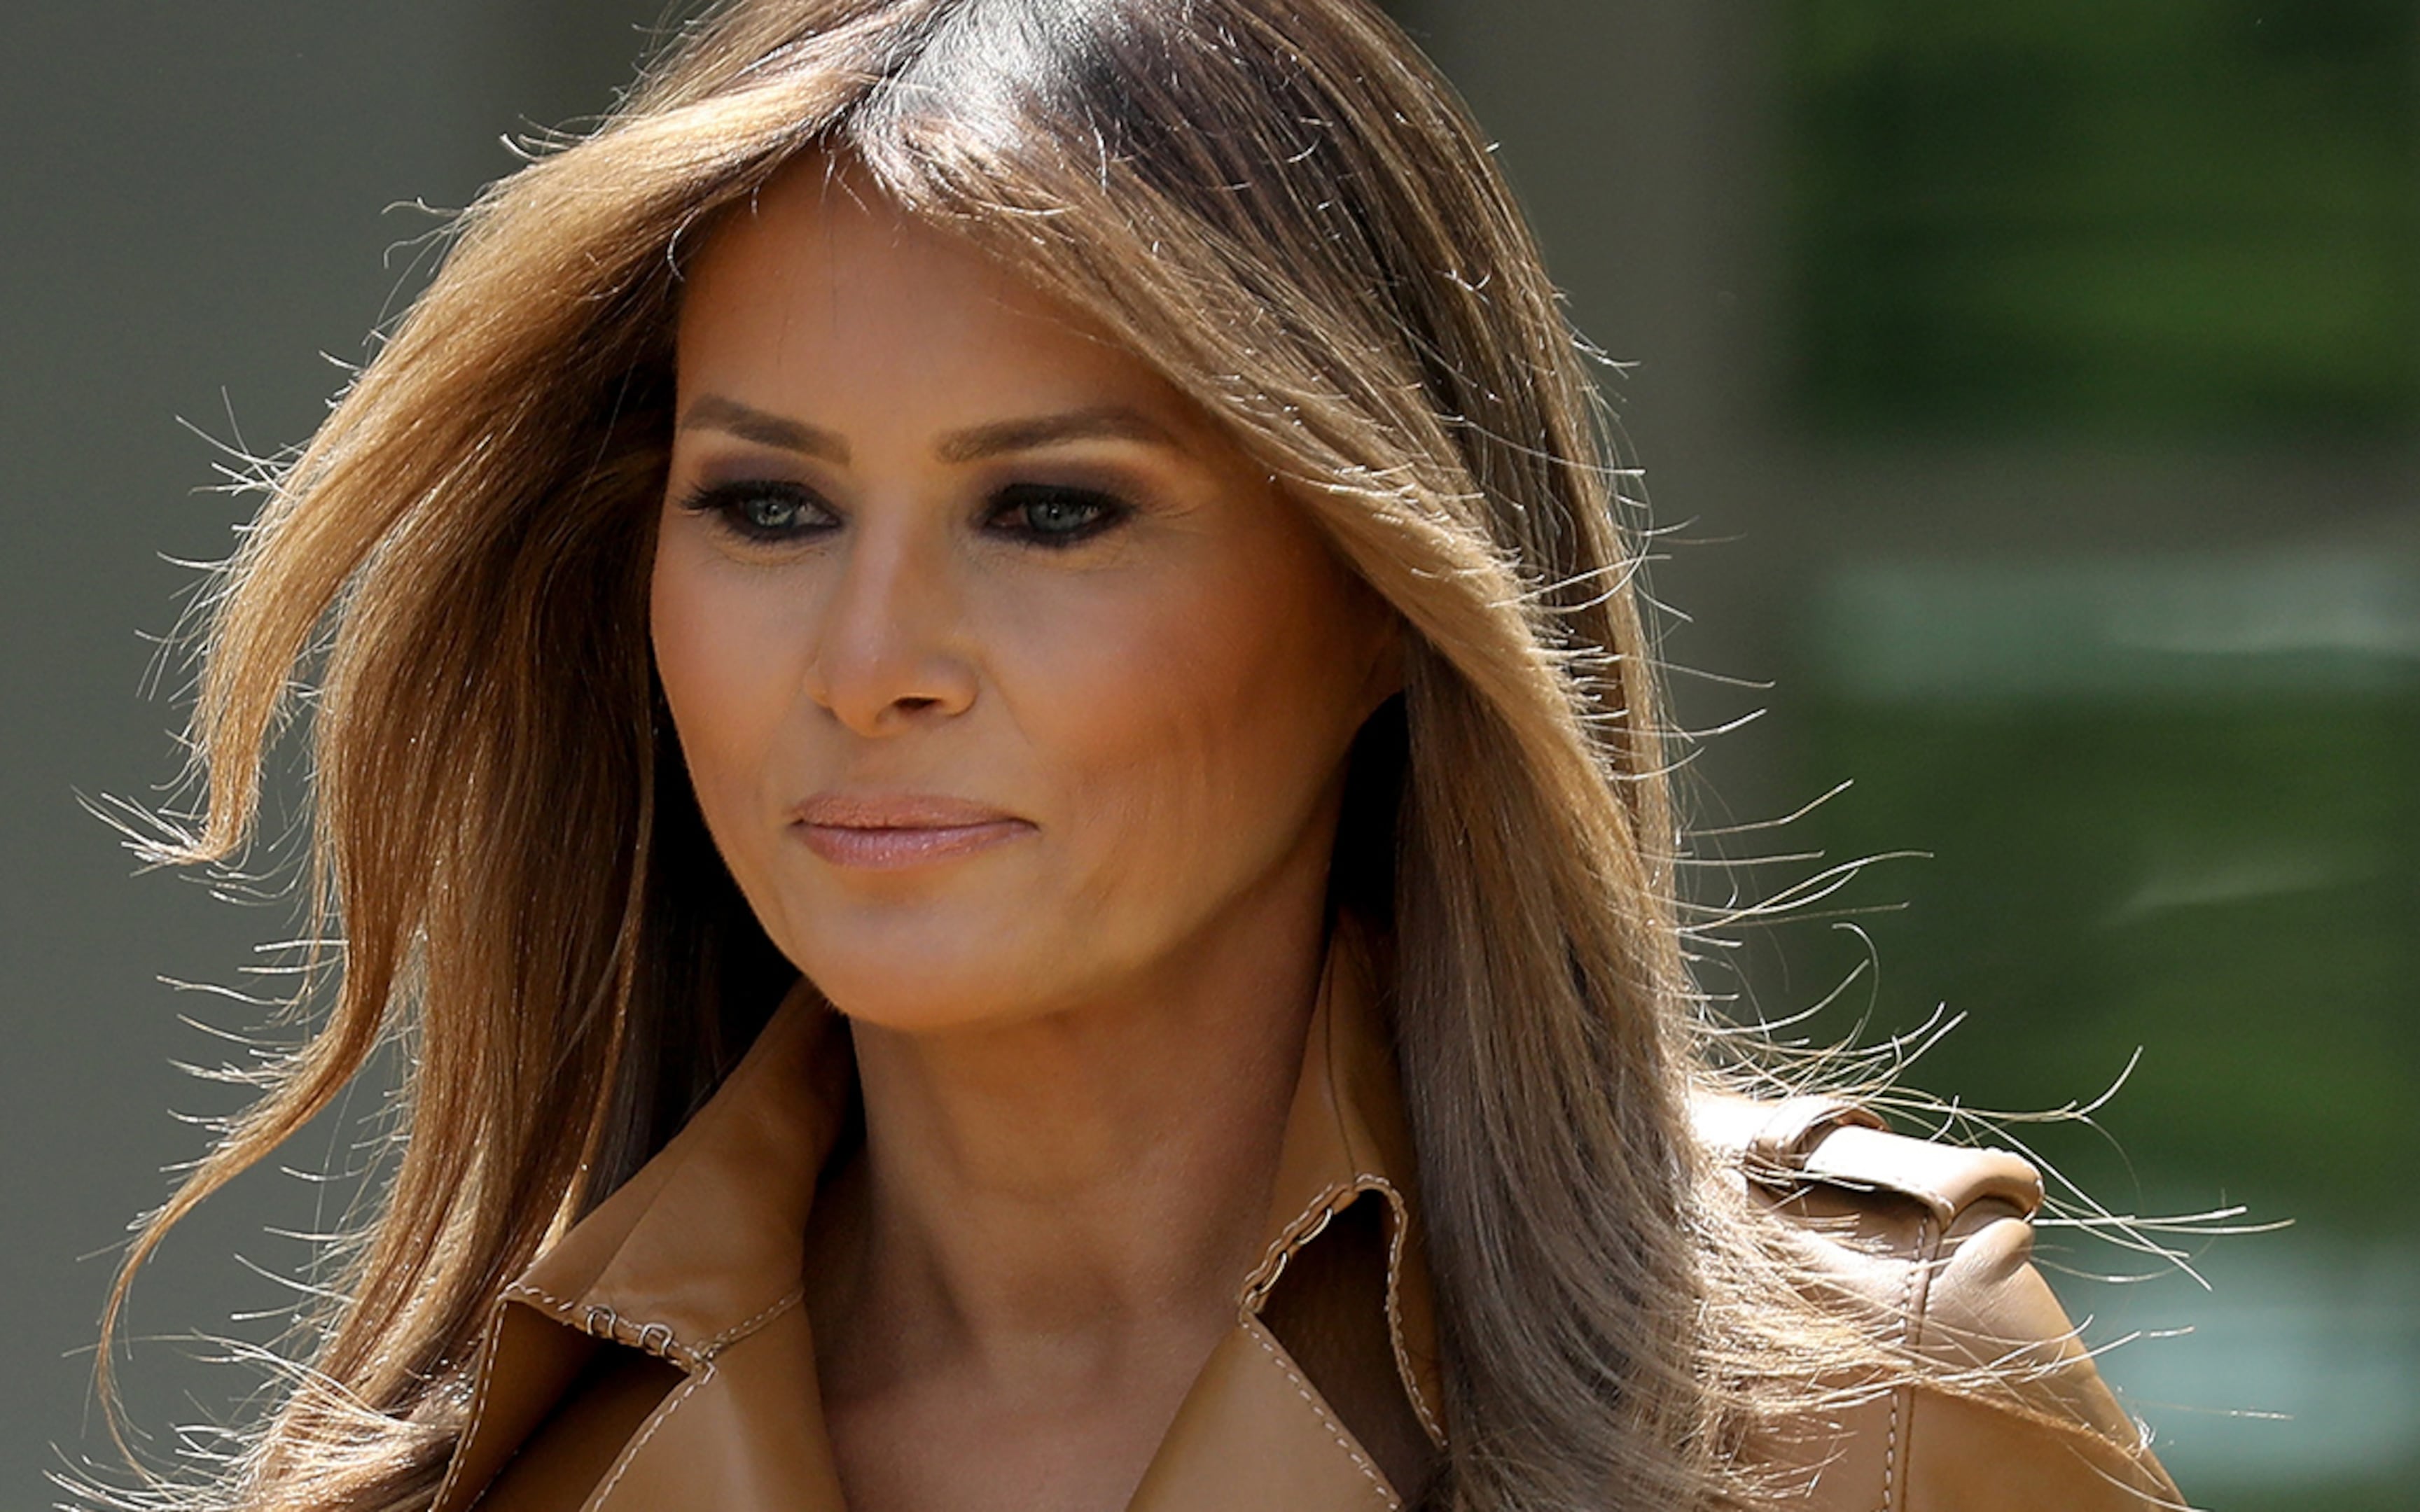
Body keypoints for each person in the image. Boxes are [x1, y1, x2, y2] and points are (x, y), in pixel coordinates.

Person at [102, 1, 2185, 1508]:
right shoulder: (472, 1483)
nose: (871, 663)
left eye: (1052, 509)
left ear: (1383, 586)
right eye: (766, 508)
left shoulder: (1869, 1414)